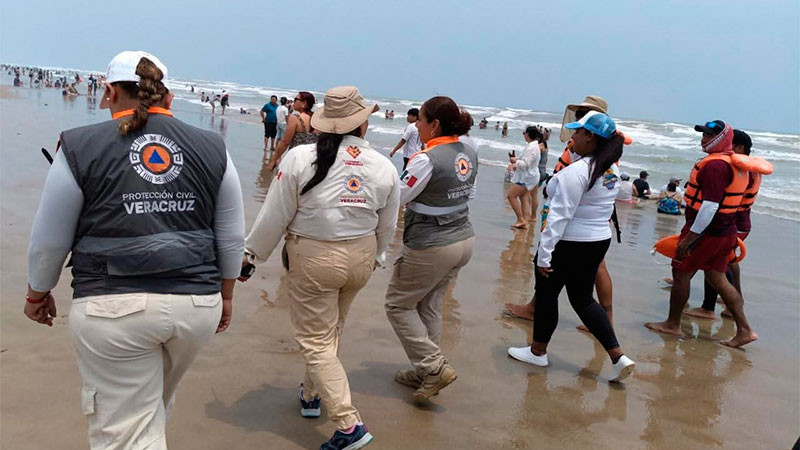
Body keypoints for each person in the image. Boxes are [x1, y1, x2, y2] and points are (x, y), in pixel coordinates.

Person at [24, 51, 245, 449]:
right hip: (196, 306)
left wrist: (37, 293)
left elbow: (49, 238)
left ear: (108, 93)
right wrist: (226, 295)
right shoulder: (214, 147)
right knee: (150, 409)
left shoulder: (78, 146)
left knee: (126, 431)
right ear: (169, 97)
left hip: (112, 308)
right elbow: (231, 235)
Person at [242, 86, 399, 450]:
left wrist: (251, 256)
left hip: (314, 258)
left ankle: (348, 424)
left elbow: (275, 215)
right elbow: (388, 224)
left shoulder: (300, 158)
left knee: (315, 339)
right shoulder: (384, 166)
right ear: (363, 124)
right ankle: (312, 395)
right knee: (330, 332)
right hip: (361, 257)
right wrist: (377, 256)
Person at [507, 111, 635, 382]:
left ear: (591, 137)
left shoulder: (577, 173)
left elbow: (559, 217)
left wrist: (544, 255)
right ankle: (618, 356)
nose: (573, 137)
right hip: (598, 240)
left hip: (569, 242)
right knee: (583, 299)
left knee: (546, 294)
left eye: (578, 132)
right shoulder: (610, 169)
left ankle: (537, 352)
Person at [385, 96, 477, 399]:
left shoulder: (426, 159)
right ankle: (425, 371)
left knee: (398, 305)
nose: (416, 125)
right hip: (463, 238)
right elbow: (468, 195)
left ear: (434, 124)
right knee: (430, 306)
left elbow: (399, 196)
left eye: (420, 120)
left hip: (432, 244)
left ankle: (434, 366)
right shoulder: (468, 151)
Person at [645, 120, 758, 348]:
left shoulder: (715, 166)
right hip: (724, 232)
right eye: (703, 134)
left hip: (706, 233)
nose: (704, 138)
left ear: (723, 139)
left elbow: (709, 206)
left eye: (709, 135)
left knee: (681, 272)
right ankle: (745, 330)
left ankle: (672, 323)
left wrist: (690, 238)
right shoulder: (731, 164)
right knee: (717, 278)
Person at [504, 96, 615, 327]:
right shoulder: (590, 142)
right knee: (578, 266)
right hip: (577, 207)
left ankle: (606, 317)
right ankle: (535, 307)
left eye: (585, 112)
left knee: (591, 267)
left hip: (579, 213)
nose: (578, 117)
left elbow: (594, 180)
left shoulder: (598, 144)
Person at [686, 129, 756, 320]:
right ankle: (731, 301)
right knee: (726, 263)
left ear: (739, 147)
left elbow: (718, 202)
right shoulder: (742, 168)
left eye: (731, 144)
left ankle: (709, 307)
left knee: (717, 266)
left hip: (732, 224)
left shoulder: (738, 169)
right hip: (737, 224)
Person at [268, 91, 317, 170]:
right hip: (312, 160)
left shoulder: (295, 118)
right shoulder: (317, 119)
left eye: (296, 99)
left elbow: (285, 142)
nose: (293, 102)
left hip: (296, 159)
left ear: (304, 103)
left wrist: (274, 160)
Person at [506, 126, 543, 229]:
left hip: (527, 177)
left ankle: (521, 219)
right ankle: (525, 221)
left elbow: (525, 164)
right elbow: (527, 161)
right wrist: (516, 159)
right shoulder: (533, 146)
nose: (524, 135)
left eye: (524, 133)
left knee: (511, 196)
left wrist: (515, 162)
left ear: (527, 134)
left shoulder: (532, 147)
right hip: (532, 175)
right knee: (524, 197)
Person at [528, 135, 549, 222]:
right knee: (532, 194)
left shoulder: (540, 147)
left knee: (531, 194)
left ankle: (532, 216)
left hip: (538, 172)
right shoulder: (545, 147)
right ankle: (531, 215)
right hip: (543, 172)